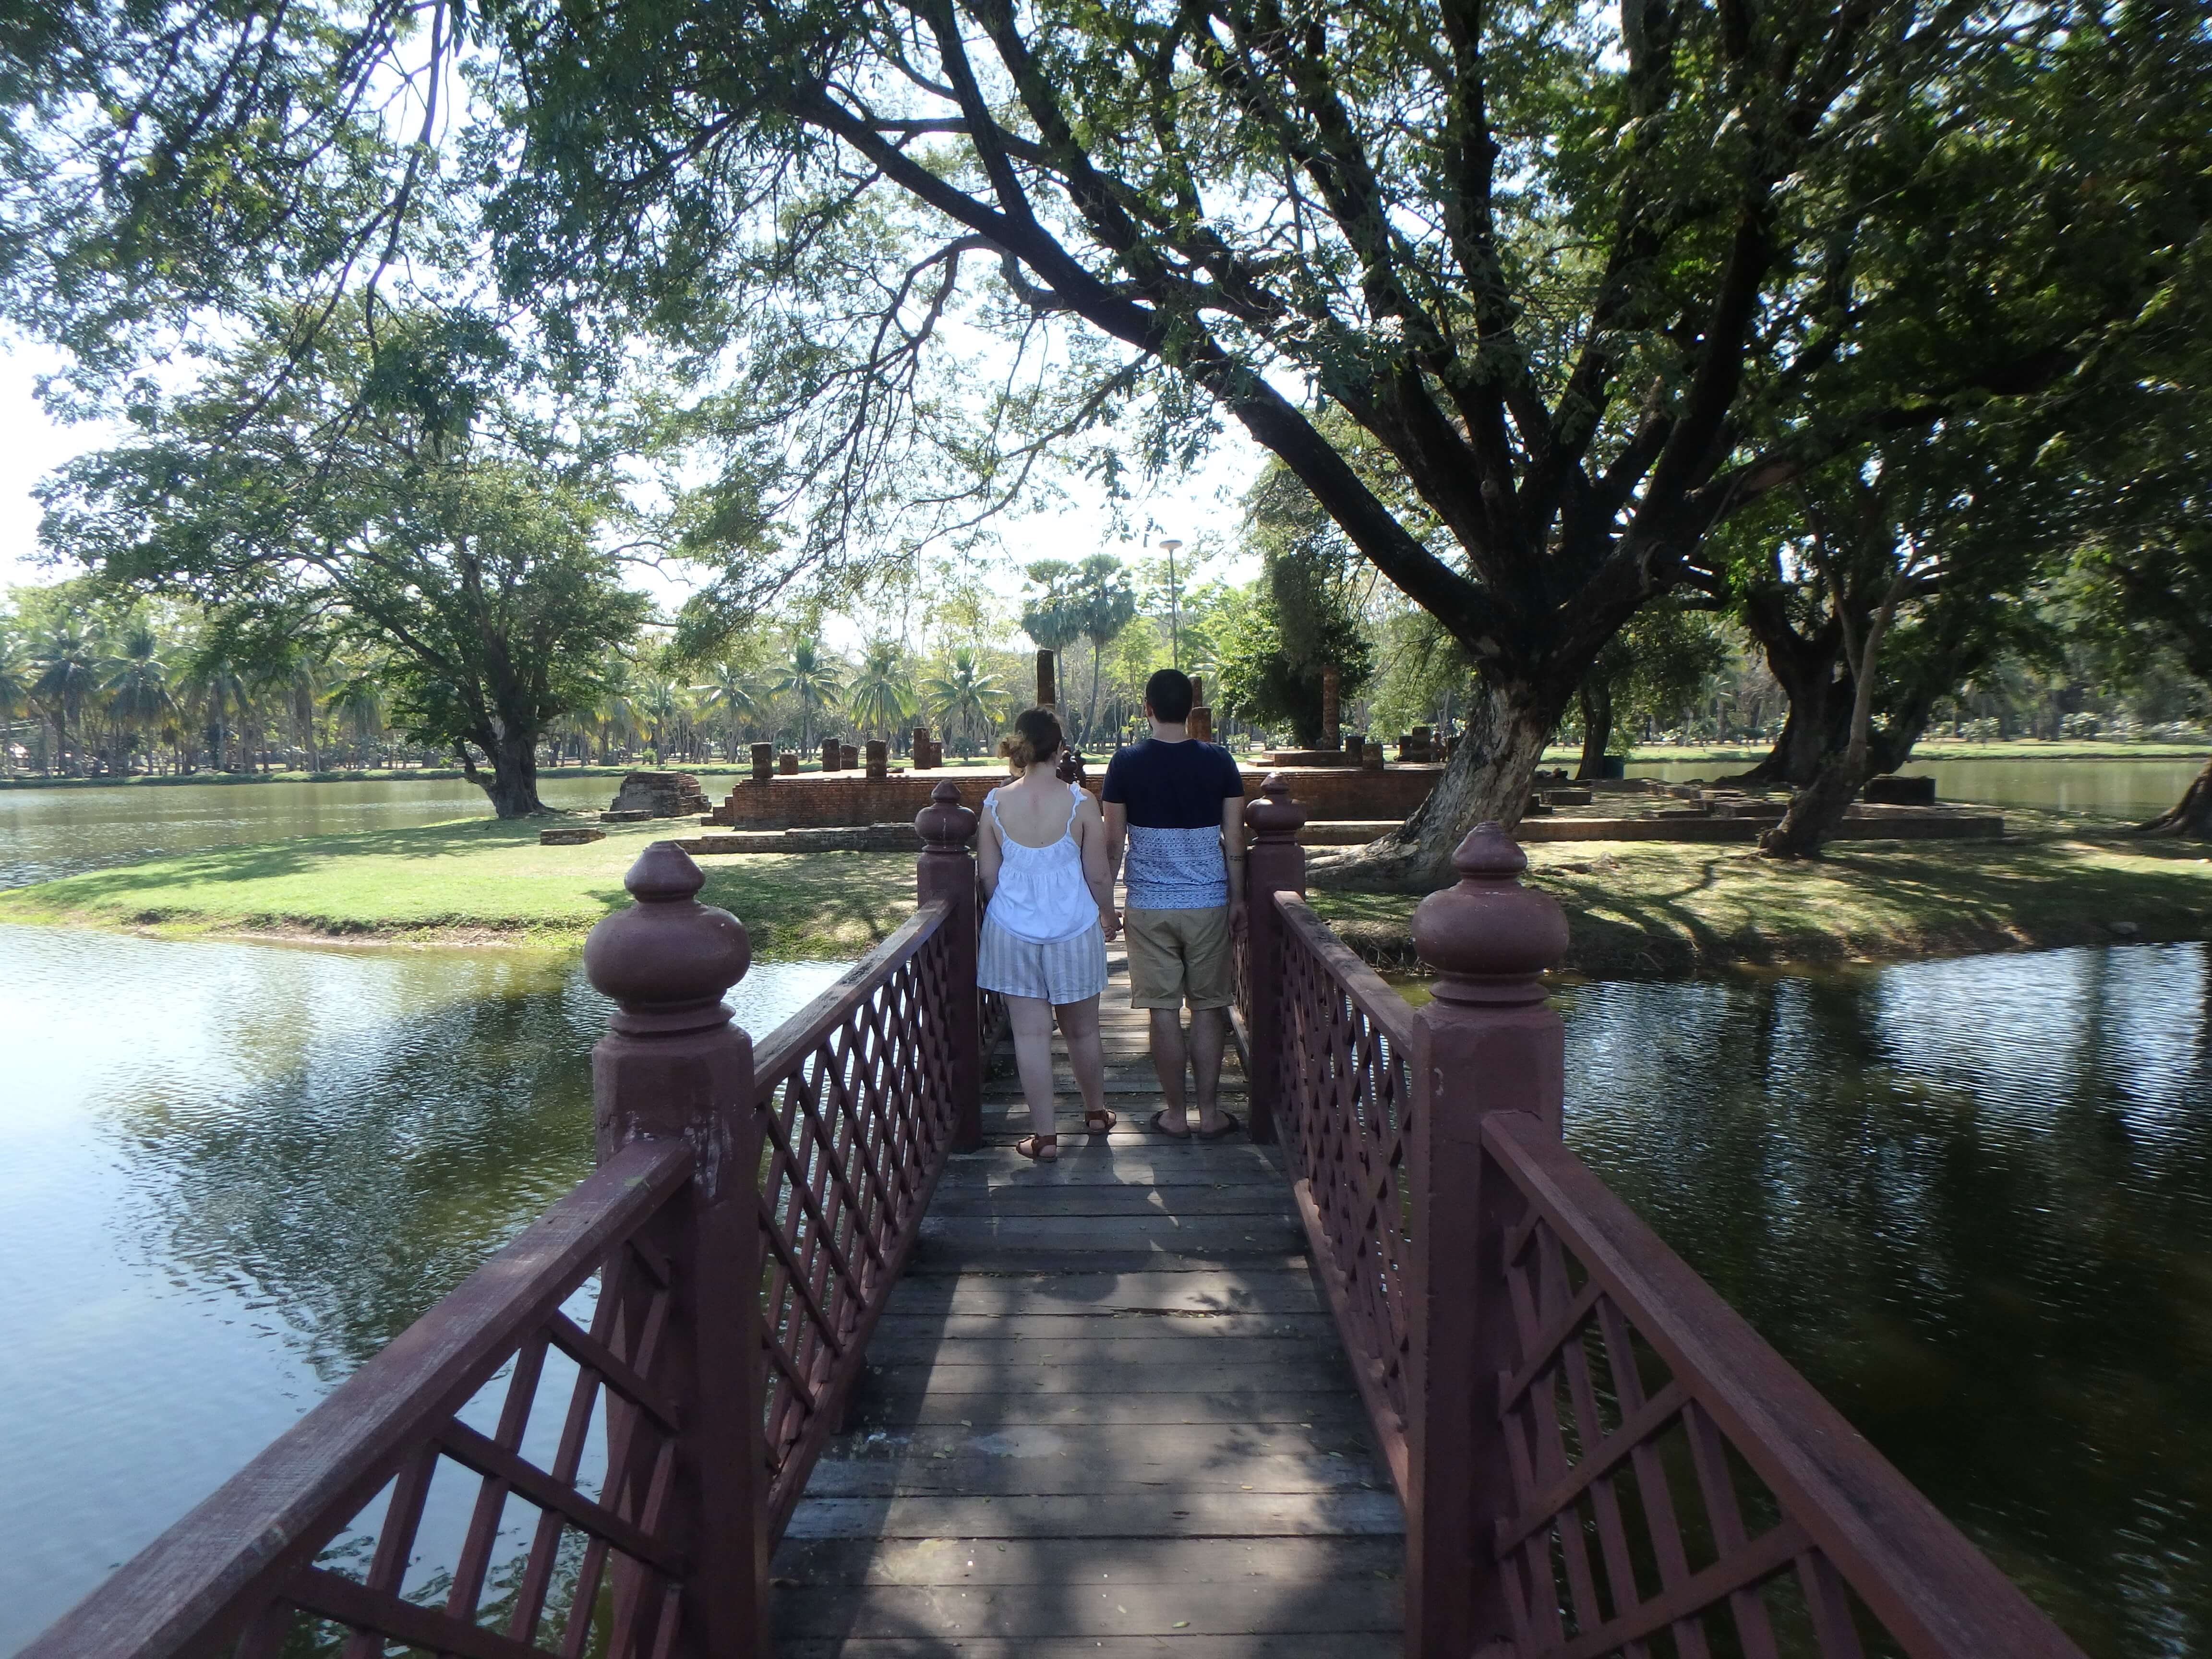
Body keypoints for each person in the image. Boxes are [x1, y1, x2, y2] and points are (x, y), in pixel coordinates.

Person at [1101, 668, 1247, 1140]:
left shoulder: (1125, 764)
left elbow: (1113, 843)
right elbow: (1235, 839)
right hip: (1209, 903)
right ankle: (1210, 1115)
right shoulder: (1220, 761)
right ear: (1191, 710)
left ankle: (1174, 1116)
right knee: (1208, 1008)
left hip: (1148, 906)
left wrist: (1107, 903)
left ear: (1147, 708)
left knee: (1162, 1011)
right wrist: (1238, 898)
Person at [976, 707, 1119, 1163]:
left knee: (1030, 1035)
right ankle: (1095, 1114)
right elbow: (1097, 874)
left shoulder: (995, 804)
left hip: (1012, 930)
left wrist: (1019, 906)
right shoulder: (1081, 803)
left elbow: (989, 877)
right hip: (1074, 927)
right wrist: (1108, 914)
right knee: (1083, 1031)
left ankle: (1045, 1138)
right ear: (1060, 750)